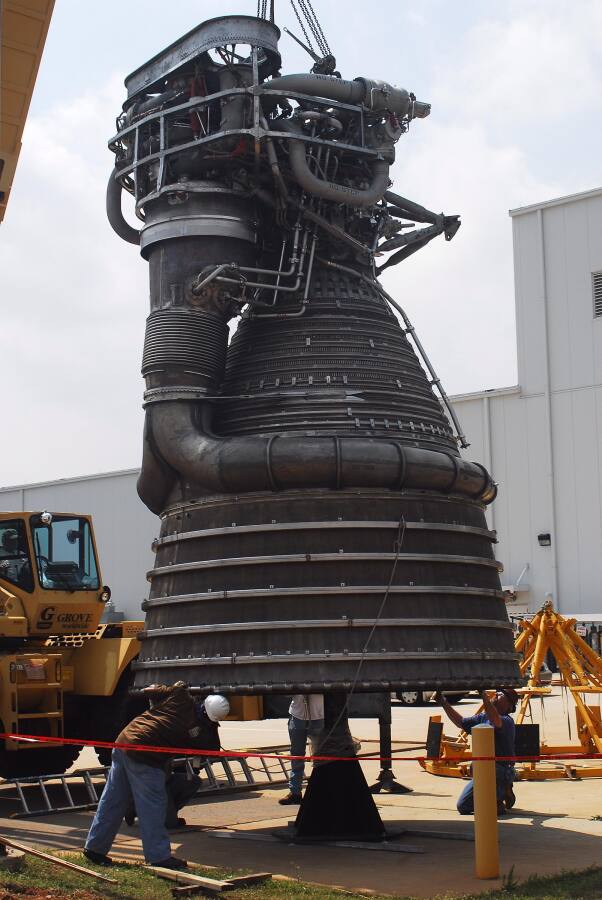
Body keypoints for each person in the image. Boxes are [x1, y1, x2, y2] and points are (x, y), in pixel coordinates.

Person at [84, 683, 230, 868]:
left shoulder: (180, 696)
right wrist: (213, 726)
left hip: (124, 741)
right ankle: (158, 857)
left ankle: (94, 848)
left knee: (113, 799)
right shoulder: (198, 733)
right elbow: (212, 750)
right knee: (153, 806)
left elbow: (155, 689)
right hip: (145, 756)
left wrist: (181, 687)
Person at [435, 687, 519, 816]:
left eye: (501, 694)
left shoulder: (507, 721)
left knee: (491, 807)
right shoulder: (483, 717)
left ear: (508, 705)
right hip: (483, 769)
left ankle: (500, 794)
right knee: (463, 806)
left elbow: (496, 721)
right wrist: (443, 702)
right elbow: (460, 722)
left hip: (501, 769)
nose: (496, 694)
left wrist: (483, 695)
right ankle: (498, 793)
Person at [279, 694, 324, 805]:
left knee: (321, 757)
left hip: (318, 715)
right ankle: (295, 792)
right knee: (296, 755)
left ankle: (321, 791)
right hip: (297, 715)